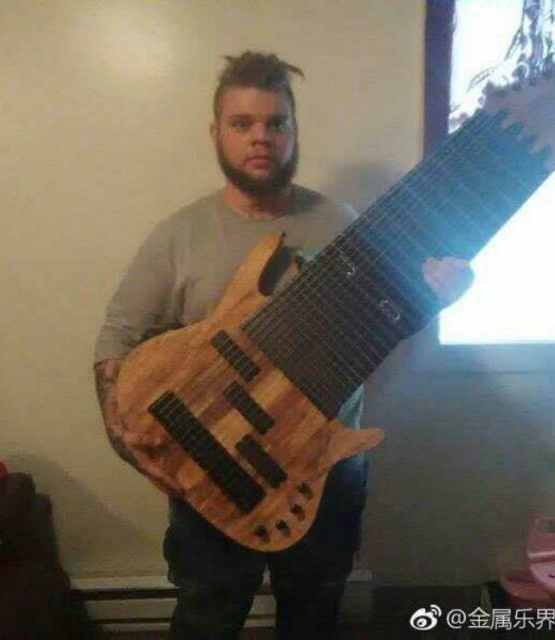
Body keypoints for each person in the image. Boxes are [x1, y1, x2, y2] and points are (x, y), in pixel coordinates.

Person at [94, 51, 473, 640]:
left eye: (276, 122)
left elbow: (387, 319)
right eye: (242, 123)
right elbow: (116, 341)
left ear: (294, 131)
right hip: (212, 475)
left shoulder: (343, 224)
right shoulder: (178, 237)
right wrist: (130, 443)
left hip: (325, 473)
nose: (260, 137)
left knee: (314, 618)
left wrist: (434, 299)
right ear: (216, 134)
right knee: (206, 621)